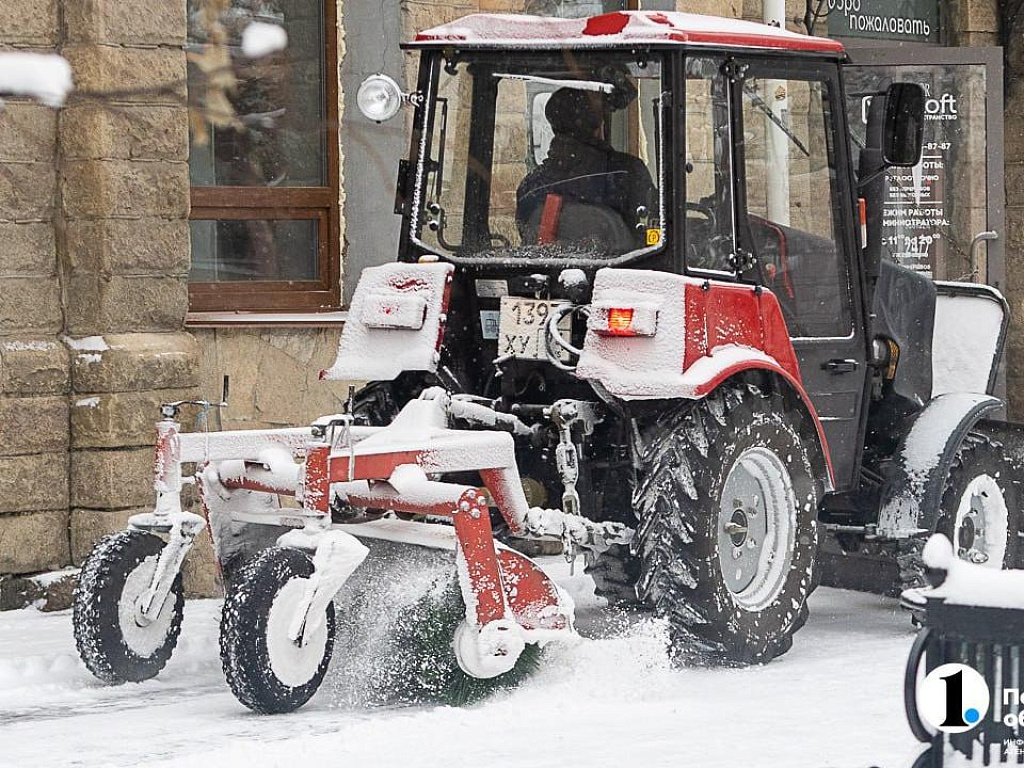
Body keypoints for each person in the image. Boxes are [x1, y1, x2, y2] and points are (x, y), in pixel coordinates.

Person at [516, 87, 657, 247]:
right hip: (622, 271)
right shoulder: (628, 174)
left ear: (554, 125)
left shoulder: (529, 187)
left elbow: (528, 236)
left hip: (541, 271)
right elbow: (650, 232)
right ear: (598, 125)